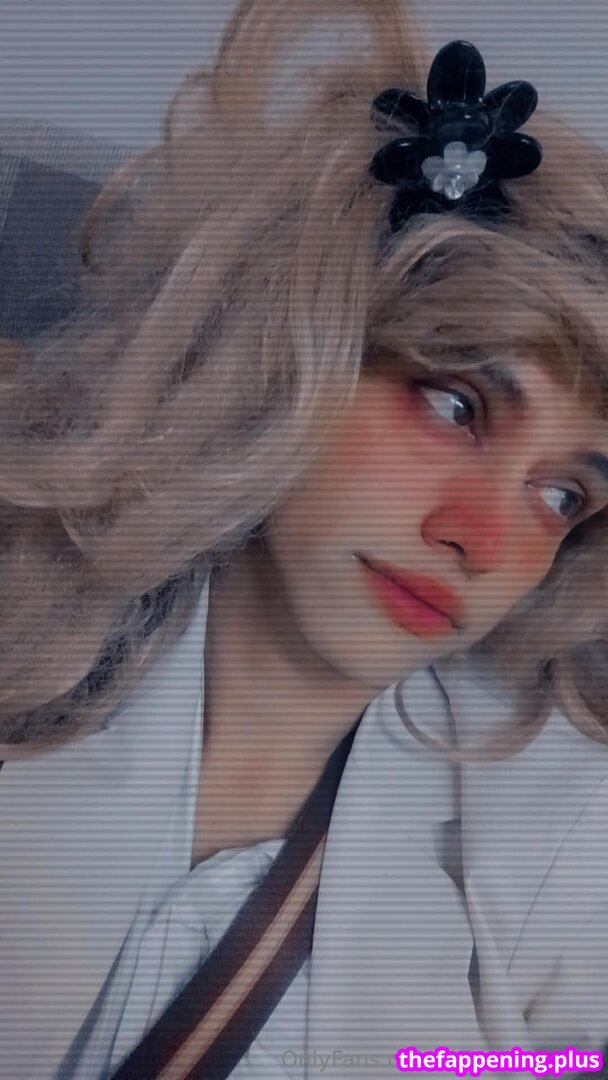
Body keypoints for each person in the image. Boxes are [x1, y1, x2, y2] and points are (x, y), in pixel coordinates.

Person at [2, 0, 608, 1076]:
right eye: (456, 407)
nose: (481, 541)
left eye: (561, 496)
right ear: (293, 359)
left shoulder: (558, 836)